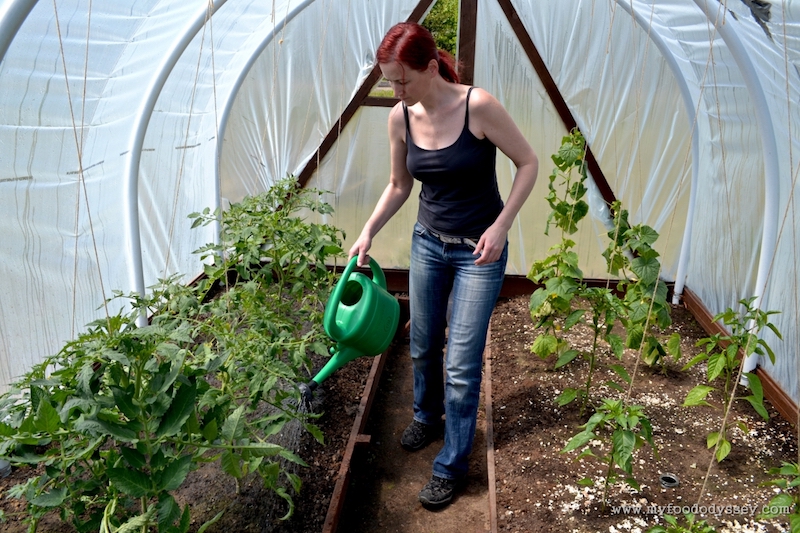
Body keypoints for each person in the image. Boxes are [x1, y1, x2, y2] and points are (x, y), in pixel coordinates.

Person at [349, 21, 539, 510]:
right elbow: (399, 185)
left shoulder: (478, 106)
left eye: (403, 80)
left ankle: (452, 464)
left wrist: (501, 225)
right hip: (428, 243)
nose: (398, 90)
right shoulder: (401, 117)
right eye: (390, 81)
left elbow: (528, 163)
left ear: (431, 67)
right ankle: (426, 416)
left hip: (480, 251)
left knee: (460, 363)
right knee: (422, 343)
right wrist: (368, 230)